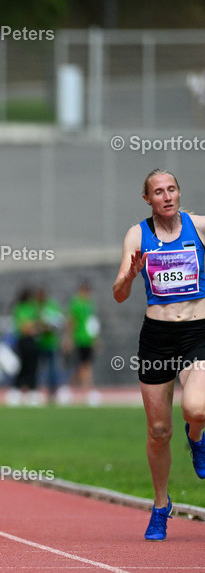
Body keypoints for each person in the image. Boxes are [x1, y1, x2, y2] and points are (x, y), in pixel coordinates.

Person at [113, 168, 205, 542]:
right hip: (157, 338)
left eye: (172, 190)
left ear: (179, 194)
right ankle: (161, 506)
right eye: (158, 192)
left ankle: (197, 436)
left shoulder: (199, 227)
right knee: (158, 431)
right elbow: (118, 293)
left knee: (197, 408)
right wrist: (131, 275)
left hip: (198, 332)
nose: (166, 197)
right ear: (147, 198)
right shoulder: (138, 235)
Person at [6, 287, 41, 406]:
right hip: (23, 340)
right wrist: (32, 326)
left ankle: (32, 392)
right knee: (24, 366)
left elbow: (37, 324)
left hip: (32, 340)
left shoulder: (33, 308)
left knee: (33, 367)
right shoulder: (20, 308)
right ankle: (16, 391)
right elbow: (24, 327)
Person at [67, 281, 101, 405]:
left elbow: (92, 323)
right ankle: (88, 389)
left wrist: (95, 338)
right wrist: (68, 338)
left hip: (88, 338)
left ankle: (69, 386)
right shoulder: (76, 304)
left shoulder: (90, 304)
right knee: (85, 365)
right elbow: (72, 321)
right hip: (79, 338)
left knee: (83, 365)